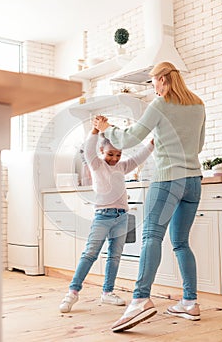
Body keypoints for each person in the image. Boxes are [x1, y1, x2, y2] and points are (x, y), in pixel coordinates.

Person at [94, 62, 206, 332]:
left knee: (151, 238)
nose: (153, 85)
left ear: (164, 79)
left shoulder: (160, 104)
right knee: (180, 243)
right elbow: (199, 145)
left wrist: (106, 127)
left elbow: (129, 138)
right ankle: (190, 302)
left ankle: (140, 299)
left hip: (168, 179)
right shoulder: (199, 105)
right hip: (194, 180)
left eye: (153, 81)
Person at [59, 124, 154, 313]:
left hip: (121, 217)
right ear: (101, 151)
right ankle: (73, 292)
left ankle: (107, 292)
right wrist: (94, 132)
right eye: (110, 154)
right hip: (103, 216)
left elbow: (139, 157)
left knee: (114, 256)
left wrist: (151, 144)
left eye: (118, 154)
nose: (114, 158)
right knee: (90, 253)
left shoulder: (123, 166)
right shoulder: (97, 164)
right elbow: (88, 149)